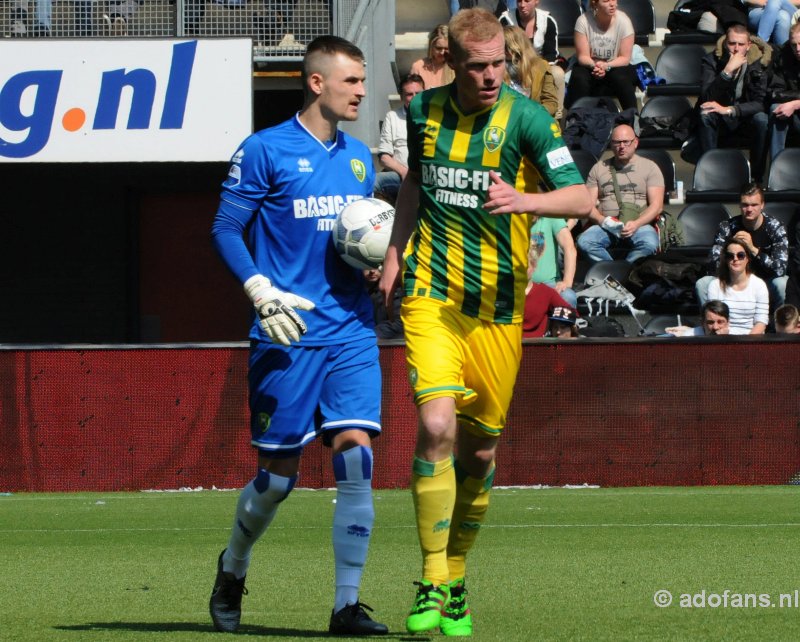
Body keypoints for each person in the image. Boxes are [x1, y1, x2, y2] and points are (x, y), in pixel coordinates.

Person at [379, 8, 592, 636]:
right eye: (479, 66)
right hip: (432, 293)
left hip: (499, 307)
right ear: (451, 61)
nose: (493, 75)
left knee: (481, 451)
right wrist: (395, 255)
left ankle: (457, 577)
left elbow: (581, 198)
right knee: (435, 423)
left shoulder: (527, 118)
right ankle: (430, 578)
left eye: (500, 62)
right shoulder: (423, 112)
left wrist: (525, 199)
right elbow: (416, 184)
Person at [208, 35, 388, 636]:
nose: (362, 91)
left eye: (363, 81)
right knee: (277, 481)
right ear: (317, 83)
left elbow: (355, 237)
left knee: (356, 455)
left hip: (352, 329)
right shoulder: (264, 150)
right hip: (287, 331)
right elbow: (227, 229)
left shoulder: (361, 156)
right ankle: (233, 566)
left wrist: (374, 264)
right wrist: (260, 290)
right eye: (352, 81)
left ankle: (345, 605)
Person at [576, 124, 664, 265]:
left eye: (626, 142)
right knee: (585, 242)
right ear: (611, 144)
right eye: (617, 142)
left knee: (649, 243)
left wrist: (636, 224)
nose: (621, 146)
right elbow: (589, 206)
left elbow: (657, 206)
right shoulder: (598, 168)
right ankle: (613, 272)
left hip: (638, 223)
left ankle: (625, 272)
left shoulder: (650, 167)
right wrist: (602, 221)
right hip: (606, 225)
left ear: (635, 143)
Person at [696, 23, 771, 182]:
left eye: (741, 44)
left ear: (748, 45)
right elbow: (706, 98)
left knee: (762, 119)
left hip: (743, 116)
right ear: (725, 43)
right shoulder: (711, 61)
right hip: (720, 117)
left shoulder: (759, 63)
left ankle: (757, 178)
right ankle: (710, 174)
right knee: (705, 115)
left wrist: (730, 109)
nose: (736, 49)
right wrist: (726, 72)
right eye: (732, 43)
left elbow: (760, 103)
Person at [696, 182, 789, 308]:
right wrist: (731, 247)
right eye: (745, 205)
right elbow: (713, 265)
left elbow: (780, 269)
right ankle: (712, 324)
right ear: (739, 205)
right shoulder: (727, 227)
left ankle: (781, 325)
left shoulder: (775, 227)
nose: (749, 209)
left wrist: (753, 250)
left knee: (782, 283)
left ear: (762, 205)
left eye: (754, 205)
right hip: (732, 283)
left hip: (765, 284)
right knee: (703, 284)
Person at [566, 0, 638, 111]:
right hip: (591, 66)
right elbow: (582, 56)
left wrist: (607, 65)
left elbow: (625, 58)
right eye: (606, 1)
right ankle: (577, 119)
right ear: (595, 3)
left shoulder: (624, 21)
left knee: (621, 77)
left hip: (616, 65)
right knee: (579, 76)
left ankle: (633, 118)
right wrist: (595, 65)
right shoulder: (583, 21)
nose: (612, 4)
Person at [374, 74, 425, 202]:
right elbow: (384, 158)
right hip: (400, 175)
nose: (414, 98)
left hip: (427, 176)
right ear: (401, 97)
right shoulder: (392, 117)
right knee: (374, 181)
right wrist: (404, 172)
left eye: (418, 93)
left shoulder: (435, 117)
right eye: (409, 94)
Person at [513, 0, 566, 118]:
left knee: (558, 74)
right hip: (513, 65)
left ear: (536, 1)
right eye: (519, 1)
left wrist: (535, 68)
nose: (522, 5)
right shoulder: (506, 20)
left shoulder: (548, 21)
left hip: (541, 64)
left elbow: (551, 54)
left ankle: (556, 117)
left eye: (527, 1)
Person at [707, 238, 770, 334]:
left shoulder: (759, 285)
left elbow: (761, 322)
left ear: (747, 258)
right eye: (730, 256)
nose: (735, 259)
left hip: (751, 338)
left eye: (740, 255)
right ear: (726, 259)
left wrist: (747, 344)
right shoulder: (715, 285)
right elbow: (714, 320)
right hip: (722, 337)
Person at [503, 25, 559, 116]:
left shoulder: (541, 66)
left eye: (507, 47)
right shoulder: (495, 68)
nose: (503, 50)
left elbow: (550, 102)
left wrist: (532, 114)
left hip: (533, 118)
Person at [529, 214, 577, 307]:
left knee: (568, 297)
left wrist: (567, 281)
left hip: (548, 283)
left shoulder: (550, 216)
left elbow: (569, 247)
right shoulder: (510, 220)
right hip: (518, 283)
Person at [769, 21, 800, 161]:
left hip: (795, 106)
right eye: (794, 45)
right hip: (792, 111)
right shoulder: (783, 56)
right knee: (776, 109)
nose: (797, 49)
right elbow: (775, 91)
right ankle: (777, 167)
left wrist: (795, 104)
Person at [410, 25, 455, 89]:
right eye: (439, 48)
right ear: (431, 46)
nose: (442, 52)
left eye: (446, 48)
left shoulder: (456, 67)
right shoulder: (418, 67)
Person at [665, 299, 731, 336]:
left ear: (728, 322)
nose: (715, 327)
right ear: (702, 323)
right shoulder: (689, 338)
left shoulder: (738, 339)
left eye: (720, 322)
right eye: (710, 322)